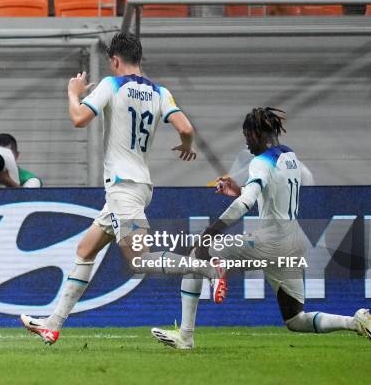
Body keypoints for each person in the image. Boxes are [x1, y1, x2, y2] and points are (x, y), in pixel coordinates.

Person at [19, 32, 216, 345]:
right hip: (134, 187)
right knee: (85, 251)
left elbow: (79, 118)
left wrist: (73, 93)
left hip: (124, 189)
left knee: (140, 260)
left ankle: (205, 268)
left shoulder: (112, 85)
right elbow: (187, 128)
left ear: (114, 60)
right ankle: (54, 324)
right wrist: (186, 145)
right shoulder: (160, 92)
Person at [151, 107, 371, 349]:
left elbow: (247, 203)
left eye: (247, 137)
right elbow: (269, 192)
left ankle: (186, 335)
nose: (246, 144)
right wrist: (238, 190)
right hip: (294, 241)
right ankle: (355, 322)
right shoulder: (290, 156)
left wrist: (210, 232)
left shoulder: (260, 162)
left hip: (269, 240)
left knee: (196, 255)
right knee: (295, 318)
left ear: (256, 133)